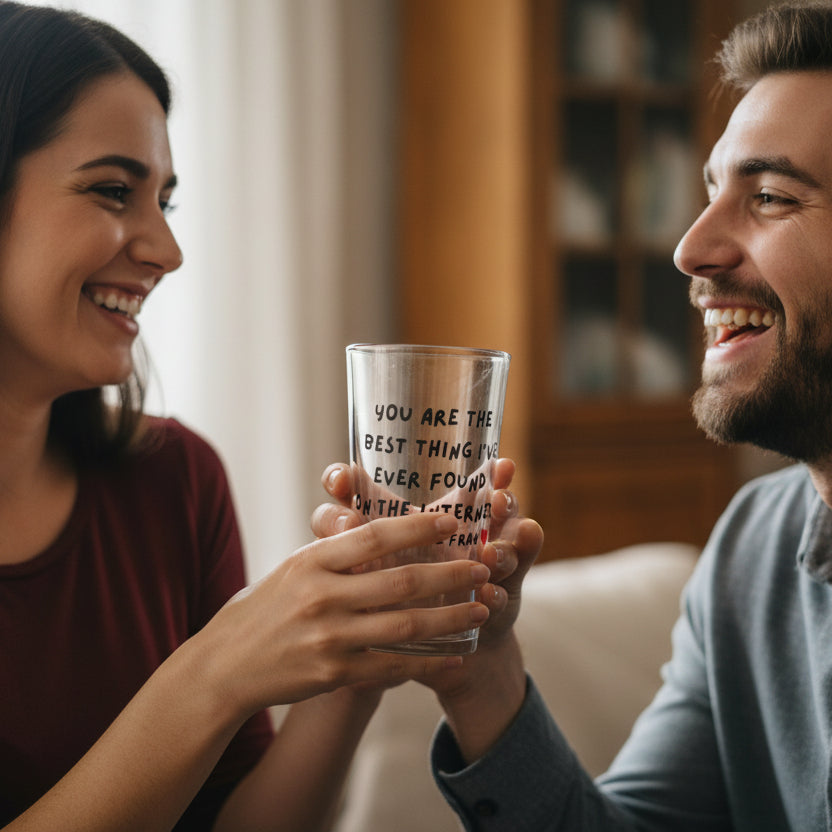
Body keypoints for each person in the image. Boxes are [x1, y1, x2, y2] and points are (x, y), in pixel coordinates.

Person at [0, 3, 545, 830]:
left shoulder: (174, 481)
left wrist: (365, 651)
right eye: (113, 190)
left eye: (165, 203)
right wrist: (217, 670)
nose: (165, 250)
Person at [315, 1, 832, 829]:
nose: (690, 248)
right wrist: (481, 671)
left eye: (769, 196)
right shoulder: (749, 556)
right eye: (710, 191)